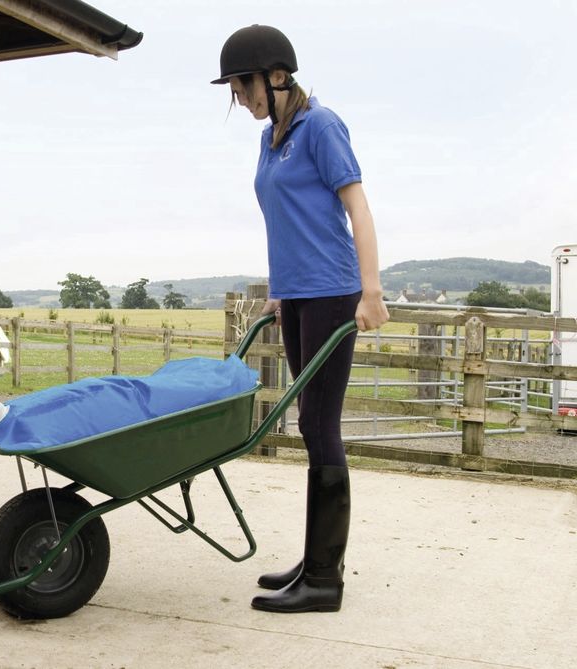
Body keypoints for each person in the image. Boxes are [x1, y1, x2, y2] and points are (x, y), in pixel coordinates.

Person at [212, 24, 389, 613]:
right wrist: (280, 290)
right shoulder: (271, 139)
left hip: (336, 292)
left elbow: (356, 207)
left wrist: (371, 291)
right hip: (299, 297)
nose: (240, 98)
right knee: (308, 425)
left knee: (319, 424)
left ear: (276, 76)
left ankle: (324, 580)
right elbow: (286, 220)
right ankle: (315, 561)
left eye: (242, 86)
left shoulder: (322, 126)